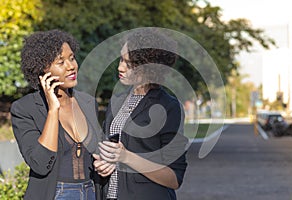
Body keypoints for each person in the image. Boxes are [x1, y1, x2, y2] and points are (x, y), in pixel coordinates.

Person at [10, 29, 111, 200]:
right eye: (61, 62)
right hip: (55, 194)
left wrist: (105, 162)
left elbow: (96, 152)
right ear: (42, 69)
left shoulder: (88, 103)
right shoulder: (24, 109)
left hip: (91, 192)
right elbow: (40, 164)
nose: (71, 66)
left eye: (72, 58)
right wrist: (53, 110)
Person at [93, 29, 188, 200]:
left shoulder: (169, 107)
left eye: (129, 64)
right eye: (121, 59)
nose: (120, 67)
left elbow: (174, 178)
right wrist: (104, 162)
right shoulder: (117, 100)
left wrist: (126, 157)